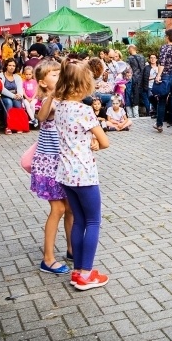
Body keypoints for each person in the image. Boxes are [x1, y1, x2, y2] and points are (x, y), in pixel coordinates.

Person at [52, 59, 110, 290]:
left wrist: (90, 140)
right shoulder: (84, 110)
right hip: (84, 173)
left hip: (65, 173)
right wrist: (96, 141)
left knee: (78, 220)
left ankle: (77, 270)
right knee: (93, 220)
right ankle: (86, 274)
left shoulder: (60, 107)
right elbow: (105, 142)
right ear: (84, 83)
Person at [30, 58, 74, 275]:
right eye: (54, 74)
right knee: (58, 209)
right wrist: (51, 97)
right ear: (43, 82)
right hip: (48, 164)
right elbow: (41, 116)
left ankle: (71, 249)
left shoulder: (65, 98)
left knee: (71, 209)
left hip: (64, 163)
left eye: (59, 73)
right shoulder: (47, 100)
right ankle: (47, 258)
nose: (58, 76)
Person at [126, 45, 146, 117]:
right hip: (142, 79)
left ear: (131, 49)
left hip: (133, 79)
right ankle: (144, 111)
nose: (128, 50)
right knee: (141, 95)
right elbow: (144, 67)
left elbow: (127, 69)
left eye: (128, 49)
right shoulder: (142, 57)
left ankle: (132, 114)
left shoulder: (129, 58)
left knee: (132, 96)